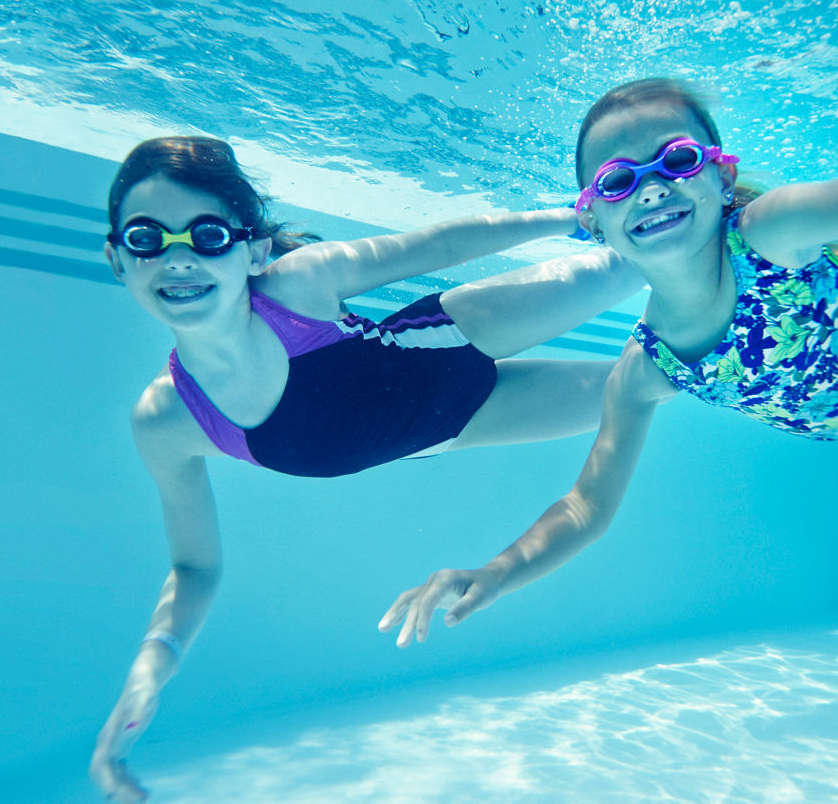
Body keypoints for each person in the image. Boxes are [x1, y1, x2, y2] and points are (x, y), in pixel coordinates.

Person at [379, 76, 838, 649]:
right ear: (593, 219)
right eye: (616, 181)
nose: (651, 187)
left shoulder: (769, 236)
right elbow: (584, 507)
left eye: (675, 159)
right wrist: (498, 570)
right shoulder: (648, 370)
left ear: (720, 177)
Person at [90, 136, 645, 802]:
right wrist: (155, 662)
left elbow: (438, 246)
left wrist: (568, 219)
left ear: (254, 249)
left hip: (454, 338)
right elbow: (195, 568)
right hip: (459, 426)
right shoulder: (168, 419)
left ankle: (739, 211)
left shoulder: (295, 286)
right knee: (656, 381)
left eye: (207, 235)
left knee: (631, 261)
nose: (178, 259)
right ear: (117, 258)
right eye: (148, 238)